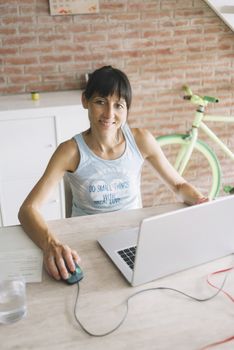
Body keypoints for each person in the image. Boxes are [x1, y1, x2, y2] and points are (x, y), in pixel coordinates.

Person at [18, 65, 207, 282]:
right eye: (100, 102)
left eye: (119, 105)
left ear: (127, 110)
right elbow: (28, 209)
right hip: (85, 245)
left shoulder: (141, 140)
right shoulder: (69, 151)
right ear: (85, 101)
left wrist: (201, 202)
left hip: (133, 238)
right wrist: (51, 244)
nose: (109, 114)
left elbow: (179, 186)